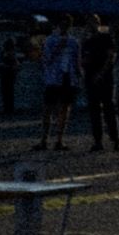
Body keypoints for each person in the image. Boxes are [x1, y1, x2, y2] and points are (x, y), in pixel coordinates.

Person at [38, 14, 80, 152]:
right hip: (53, 78)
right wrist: (58, 48)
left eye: (67, 24)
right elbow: (46, 59)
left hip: (68, 77)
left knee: (64, 109)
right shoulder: (50, 40)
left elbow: (76, 60)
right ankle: (44, 139)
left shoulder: (73, 42)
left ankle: (59, 140)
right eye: (62, 24)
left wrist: (78, 77)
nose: (64, 27)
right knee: (48, 109)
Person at [81, 12, 119, 152]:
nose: (90, 25)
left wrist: (101, 73)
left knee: (109, 108)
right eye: (88, 23)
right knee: (94, 111)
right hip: (91, 78)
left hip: (105, 78)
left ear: (98, 23)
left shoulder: (106, 38)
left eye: (93, 22)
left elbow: (111, 57)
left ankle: (115, 139)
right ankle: (98, 141)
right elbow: (84, 60)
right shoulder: (87, 42)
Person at [0, 35, 19, 116]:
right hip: (9, 73)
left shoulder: (5, 53)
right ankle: (9, 108)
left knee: (6, 92)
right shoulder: (11, 53)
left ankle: (7, 108)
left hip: (6, 74)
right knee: (9, 92)